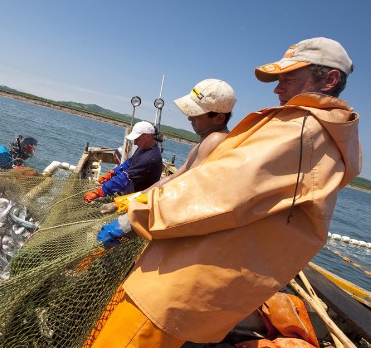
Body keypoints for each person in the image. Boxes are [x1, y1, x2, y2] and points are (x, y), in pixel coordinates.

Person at [90, 37, 361, 347]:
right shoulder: (328, 141)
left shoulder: (301, 131)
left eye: (288, 77)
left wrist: (133, 217)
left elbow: (215, 193)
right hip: (197, 287)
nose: (277, 88)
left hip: (174, 285)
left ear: (329, 79)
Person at [144, 78, 235, 192]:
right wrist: (136, 197)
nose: (189, 117)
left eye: (196, 114)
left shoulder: (215, 139)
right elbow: (173, 177)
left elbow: (186, 186)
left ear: (219, 118)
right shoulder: (200, 144)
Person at [83, 121, 163, 203]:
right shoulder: (144, 148)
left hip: (139, 199)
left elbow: (125, 178)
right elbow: (129, 162)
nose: (135, 142)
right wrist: (113, 172)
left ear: (146, 137)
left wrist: (99, 192)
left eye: (137, 139)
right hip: (131, 190)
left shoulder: (150, 158)